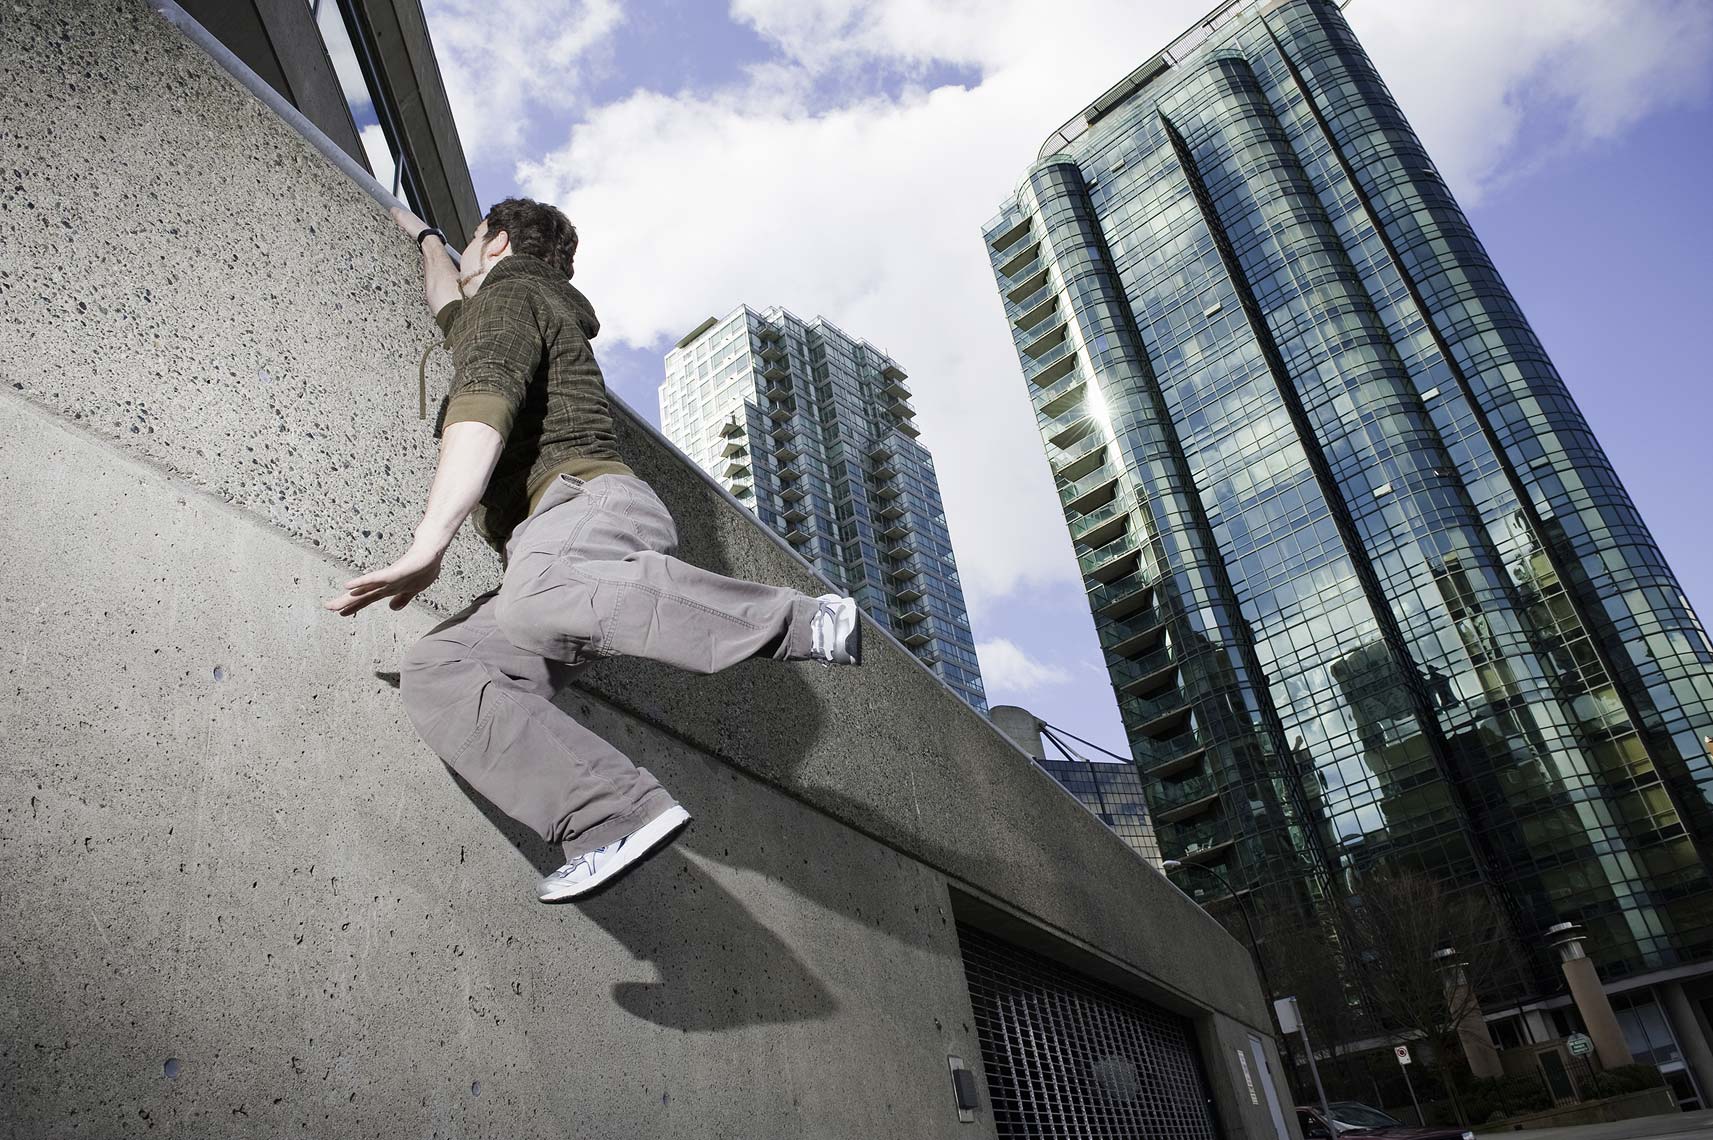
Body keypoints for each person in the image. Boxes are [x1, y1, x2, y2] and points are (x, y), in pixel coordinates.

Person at [323, 198, 861, 902]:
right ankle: (609, 817)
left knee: (539, 596)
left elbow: (482, 405)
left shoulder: (513, 296)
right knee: (444, 667)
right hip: (551, 549)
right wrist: (424, 234)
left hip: (585, 505)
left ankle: (804, 620)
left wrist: (430, 543)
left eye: (470, 242)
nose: (461, 258)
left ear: (498, 243)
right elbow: (446, 299)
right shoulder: (499, 303)